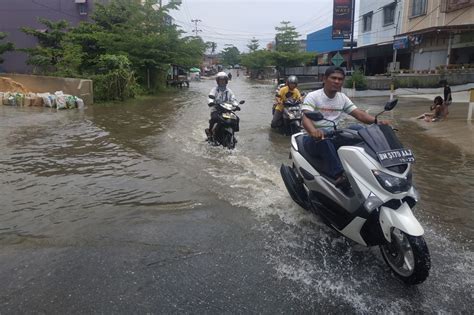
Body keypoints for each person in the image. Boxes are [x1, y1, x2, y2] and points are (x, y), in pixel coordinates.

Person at [301, 66, 389, 186]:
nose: (337, 81)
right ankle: (339, 175)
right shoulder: (313, 96)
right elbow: (305, 117)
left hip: (334, 135)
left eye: (340, 79)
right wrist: (313, 131)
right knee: (324, 140)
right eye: (333, 78)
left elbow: (359, 114)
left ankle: (375, 165)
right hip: (314, 138)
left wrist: (377, 122)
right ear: (324, 79)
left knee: (359, 130)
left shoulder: (342, 98)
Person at [205, 72, 238, 139]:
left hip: (227, 110)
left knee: (236, 119)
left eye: (223, 80)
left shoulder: (229, 91)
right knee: (214, 118)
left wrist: (236, 105)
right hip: (216, 109)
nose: (222, 82)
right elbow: (210, 96)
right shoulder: (215, 90)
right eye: (220, 80)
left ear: (226, 81)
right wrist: (211, 102)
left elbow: (233, 99)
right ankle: (210, 132)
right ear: (218, 81)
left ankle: (233, 135)